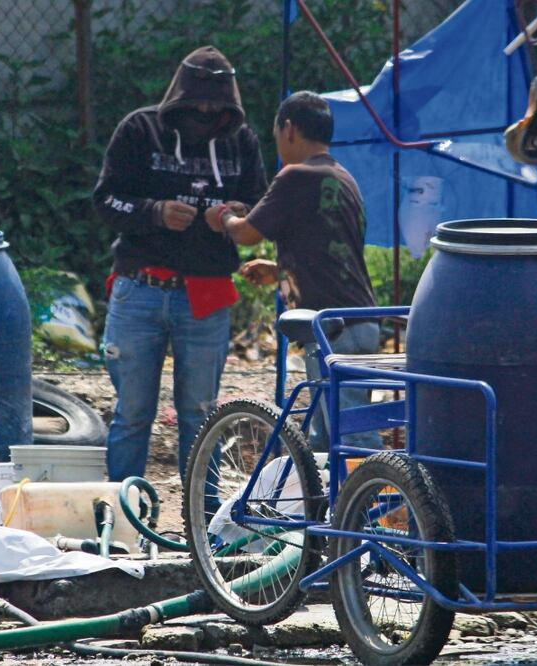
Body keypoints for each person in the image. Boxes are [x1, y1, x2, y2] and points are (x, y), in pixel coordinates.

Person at [92, 46, 267, 481]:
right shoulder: (140, 129)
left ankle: (201, 526)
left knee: (201, 416)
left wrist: (230, 214)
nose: (206, 111)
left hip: (206, 293)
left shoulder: (240, 140)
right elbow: (105, 200)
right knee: (132, 414)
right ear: (179, 97)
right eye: (198, 103)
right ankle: (124, 519)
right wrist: (155, 212)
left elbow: (261, 205)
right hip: (140, 288)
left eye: (216, 105)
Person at [206, 91, 381, 451]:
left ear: (289, 129)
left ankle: (383, 505)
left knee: (353, 440)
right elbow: (331, 249)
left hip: (333, 328)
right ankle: (325, 508)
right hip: (362, 321)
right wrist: (280, 270)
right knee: (323, 441)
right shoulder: (342, 177)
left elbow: (246, 234)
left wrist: (222, 216)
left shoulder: (296, 176)